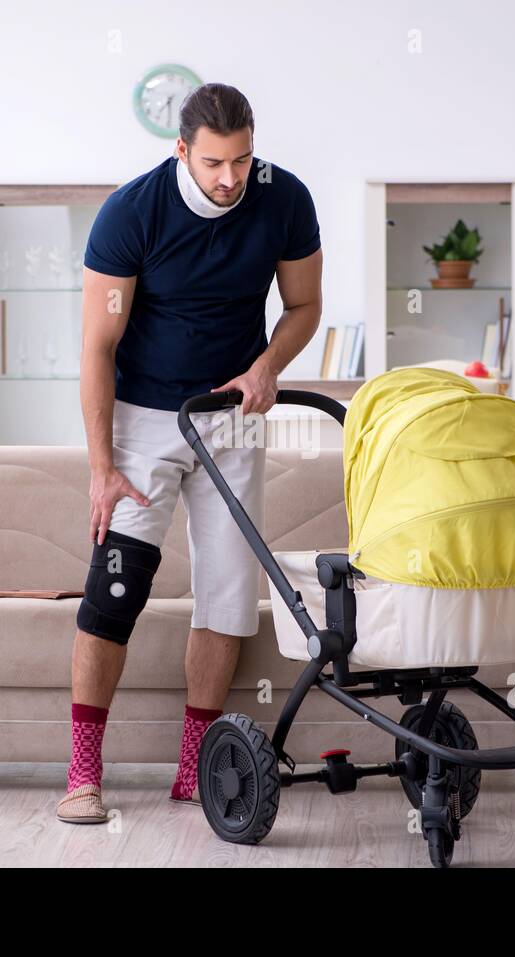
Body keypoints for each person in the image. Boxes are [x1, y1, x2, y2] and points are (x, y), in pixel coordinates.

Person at [56, 83, 323, 823]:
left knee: (230, 598)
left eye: (240, 159)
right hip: (143, 417)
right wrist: (102, 465)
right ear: (182, 150)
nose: (230, 178)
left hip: (231, 416)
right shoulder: (130, 213)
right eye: (213, 163)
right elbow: (97, 346)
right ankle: (82, 775)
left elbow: (304, 307)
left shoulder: (284, 199)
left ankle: (196, 771)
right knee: (113, 590)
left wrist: (268, 366)